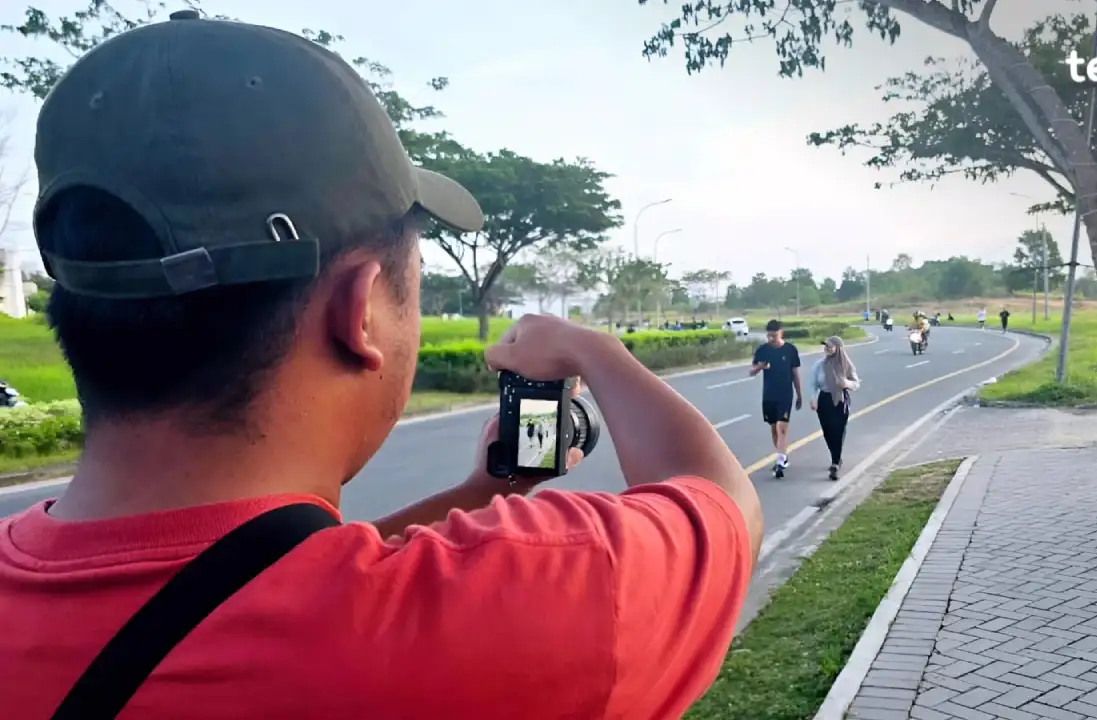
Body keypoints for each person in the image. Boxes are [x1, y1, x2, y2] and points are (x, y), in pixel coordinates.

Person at [0, 13, 765, 719]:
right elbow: (724, 507)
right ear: (359, 312)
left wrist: (476, 493)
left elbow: (256, 576)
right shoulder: (534, 607)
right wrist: (591, 350)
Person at [749, 319, 802, 478]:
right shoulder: (762, 350)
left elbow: (795, 374)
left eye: (774, 335)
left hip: (785, 394)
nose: (771, 339)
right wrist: (760, 367)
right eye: (769, 336)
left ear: (781, 332)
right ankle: (782, 456)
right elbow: (751, 372)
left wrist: (799, 394)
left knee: (781, 428)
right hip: (769, 395)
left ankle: (780, 461)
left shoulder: (790, 350)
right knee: (774, 430)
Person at [809, 337, 860, 480]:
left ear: (838, 348)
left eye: (830, 346)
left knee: (839, 430)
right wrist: (813, 399)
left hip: (840, 400)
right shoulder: (819, 365)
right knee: (828, 432)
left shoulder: (846, 365)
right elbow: (813, 384)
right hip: (824, 399)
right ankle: (836, 457)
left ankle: (835, 463)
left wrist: (847, 384)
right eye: (826, 346)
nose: (827, 348)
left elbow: (856, 384)